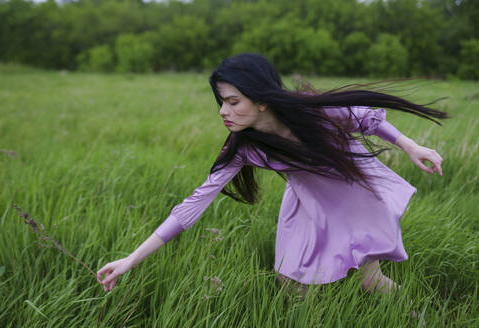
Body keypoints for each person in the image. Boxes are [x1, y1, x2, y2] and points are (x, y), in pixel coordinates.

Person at [97, 53, 447, 298]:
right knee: (290, 284)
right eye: (221, 102)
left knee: (370, 281)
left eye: (233, 101)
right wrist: (131, 259)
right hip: (307, 206)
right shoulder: (243, 147)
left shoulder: (314, 113)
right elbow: (192, 205)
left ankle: (418, 315)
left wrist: (410, 145)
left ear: (261, 99)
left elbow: (366, 118)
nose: (223, 111)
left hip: (354, 198)